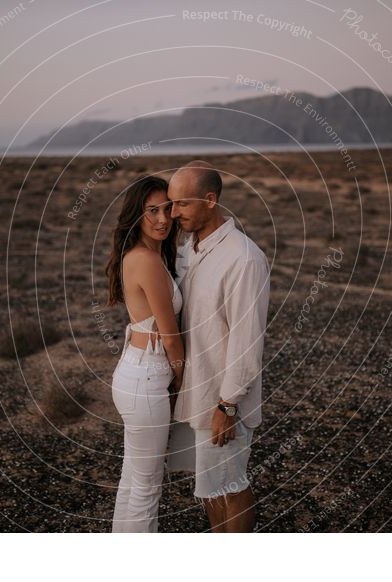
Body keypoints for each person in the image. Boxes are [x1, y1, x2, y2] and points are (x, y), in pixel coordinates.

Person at [167, 160, 270, 533]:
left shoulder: (243, 259)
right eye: (171, 203)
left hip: (222, 401)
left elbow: (247, 341)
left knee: (231, 487)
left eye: (183, 204)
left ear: (210, 200)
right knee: (208, 488)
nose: (173, 213)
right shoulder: (188, 247)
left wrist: (227, 405)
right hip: (195, 393)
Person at [105, 175, 185, 533]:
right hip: (147, 379)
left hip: (135, 374)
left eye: (168, 209)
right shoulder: (147, 261)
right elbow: (170, 337)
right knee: (147, 487)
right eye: (152, 210)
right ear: (135, 215)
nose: (163, 218)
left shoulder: (145, 255)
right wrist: (183, 378)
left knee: (133, 479)